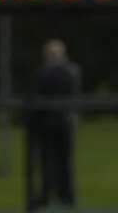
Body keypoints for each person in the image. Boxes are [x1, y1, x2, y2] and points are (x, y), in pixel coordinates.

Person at [29, 39, 82, 210]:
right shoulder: (71, 72)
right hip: (61, 121)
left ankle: (52, 194)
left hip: (51, 122)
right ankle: (65, 194)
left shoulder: (46, 73)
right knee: (61, 160)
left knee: (51, 160)